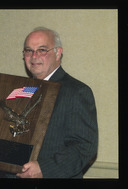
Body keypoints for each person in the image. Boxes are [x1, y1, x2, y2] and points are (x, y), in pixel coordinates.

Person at [15, 27, 98, 178]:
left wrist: (44, 169)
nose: (34, 56)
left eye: (42, 50)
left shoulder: (77, 92)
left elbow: (84, 147)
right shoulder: (20, 91)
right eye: (28, 50)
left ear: (58, 53)